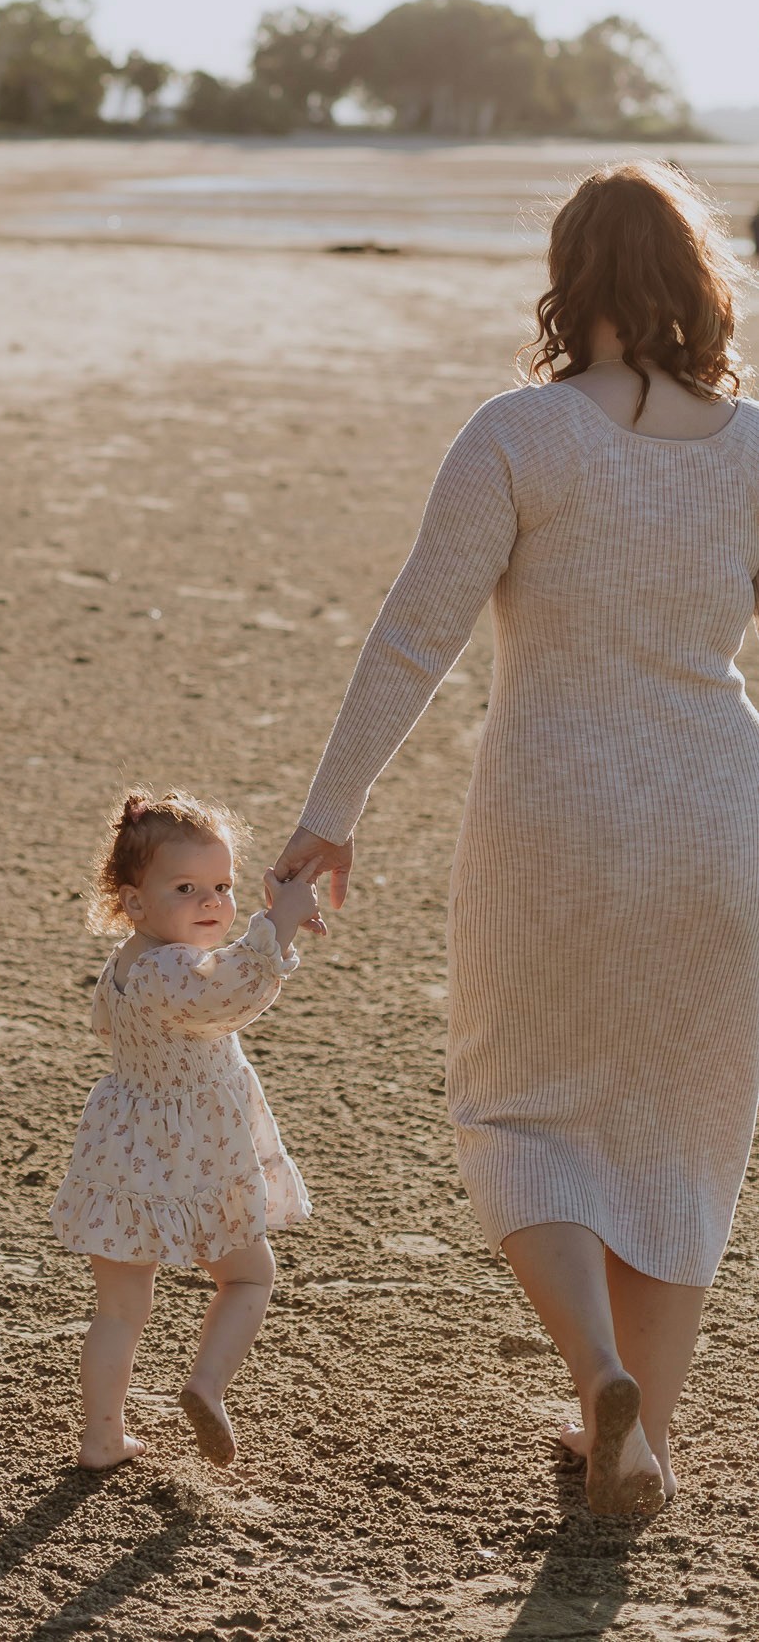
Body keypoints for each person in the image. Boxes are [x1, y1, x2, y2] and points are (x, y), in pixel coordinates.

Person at [273, 160, 759, 1516]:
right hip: (723, 813)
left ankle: (598, 1376)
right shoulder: (755, 445)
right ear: (692, 280)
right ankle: (637, 1439)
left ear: (570, 280)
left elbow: (410, 637)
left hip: (556, 816)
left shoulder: (517, 434)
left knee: (514, 1107)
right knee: (680, 1133)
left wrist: (328, 818)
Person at [50, 787, 316, 1471]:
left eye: (223, 885)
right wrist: (277, 925)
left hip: (123, 1148)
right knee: (249, 1279)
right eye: (187, 887)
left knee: (119, 1310)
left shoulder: (129, 962)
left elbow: (104, 1025)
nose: (212, 902)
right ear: (134, 903)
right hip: (194, 1152)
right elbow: (232, 995)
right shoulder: (175, 970)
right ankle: (206, 1384)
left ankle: (102, 1437)